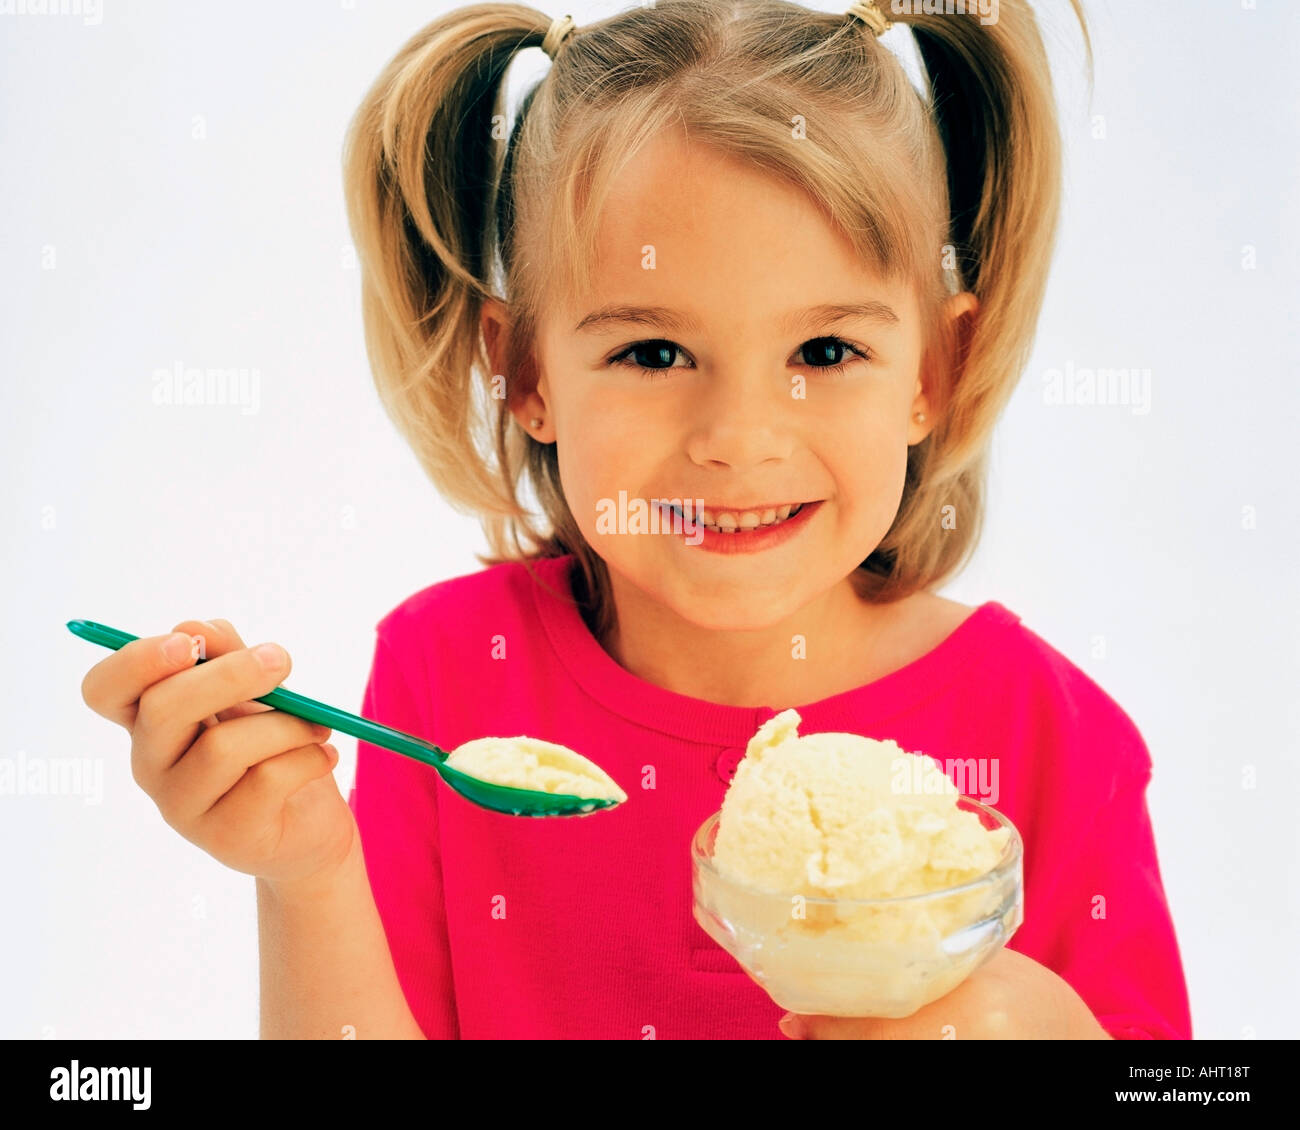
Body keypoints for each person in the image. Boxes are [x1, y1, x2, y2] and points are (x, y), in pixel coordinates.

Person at [80, 0, 1192, 1039]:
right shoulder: (452, 678)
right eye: (652, 352)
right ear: (523, 372)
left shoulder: (1055, 738)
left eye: (825, 351)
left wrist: (1024, 1019)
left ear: (932, 370)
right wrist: (307, 871)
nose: (739, 436)